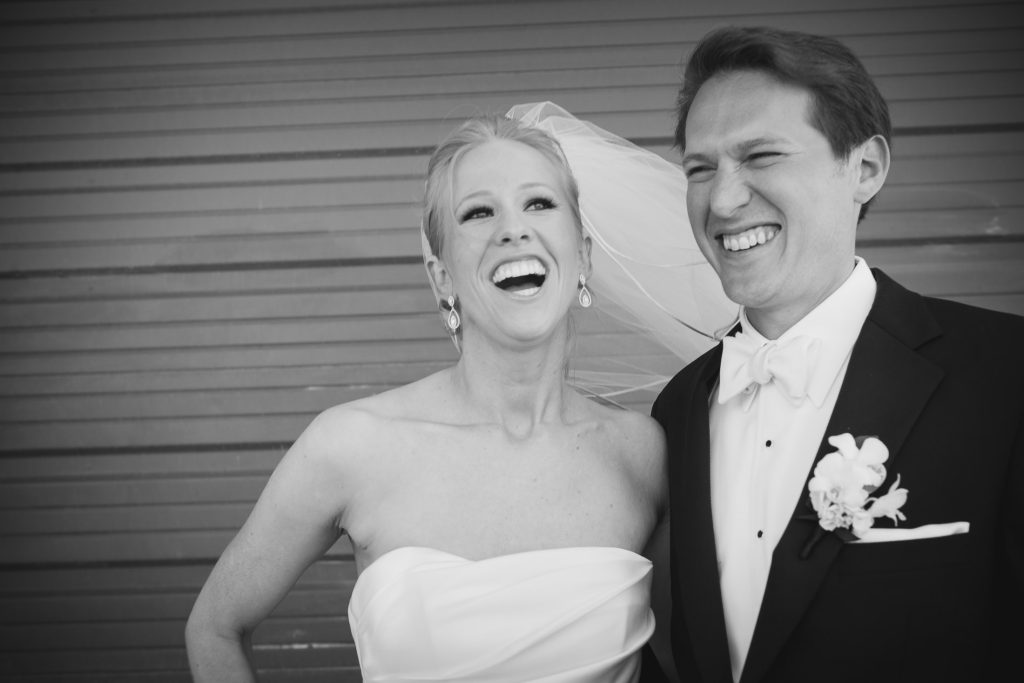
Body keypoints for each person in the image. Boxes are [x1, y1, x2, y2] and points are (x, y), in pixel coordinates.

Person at [184, 103, 722, 682]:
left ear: (584, 255)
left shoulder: (644, 453)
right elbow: (214, 627)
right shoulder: (351, 446)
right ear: (442, 277)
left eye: (539, 203)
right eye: (478, 212)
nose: (514, 228)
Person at [645, 25, 1024, 683]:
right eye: (700, 168)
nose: (723, 199)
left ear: (865, 168)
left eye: (760, 155)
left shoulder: (1006, 376)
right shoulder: (676, 408)